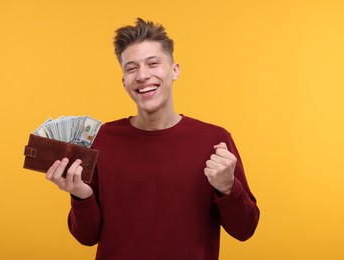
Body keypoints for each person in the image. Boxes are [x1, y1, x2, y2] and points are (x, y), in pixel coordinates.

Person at [46, 18, 259, 260]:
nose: (142, 75)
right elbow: (87, 237)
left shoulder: (215, 140)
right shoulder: (101, 139)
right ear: (123, 81)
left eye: (153, 63)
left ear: (175, 70)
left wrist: (228, 187)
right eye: (131, 68)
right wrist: (80, 196)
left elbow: (245, 229)